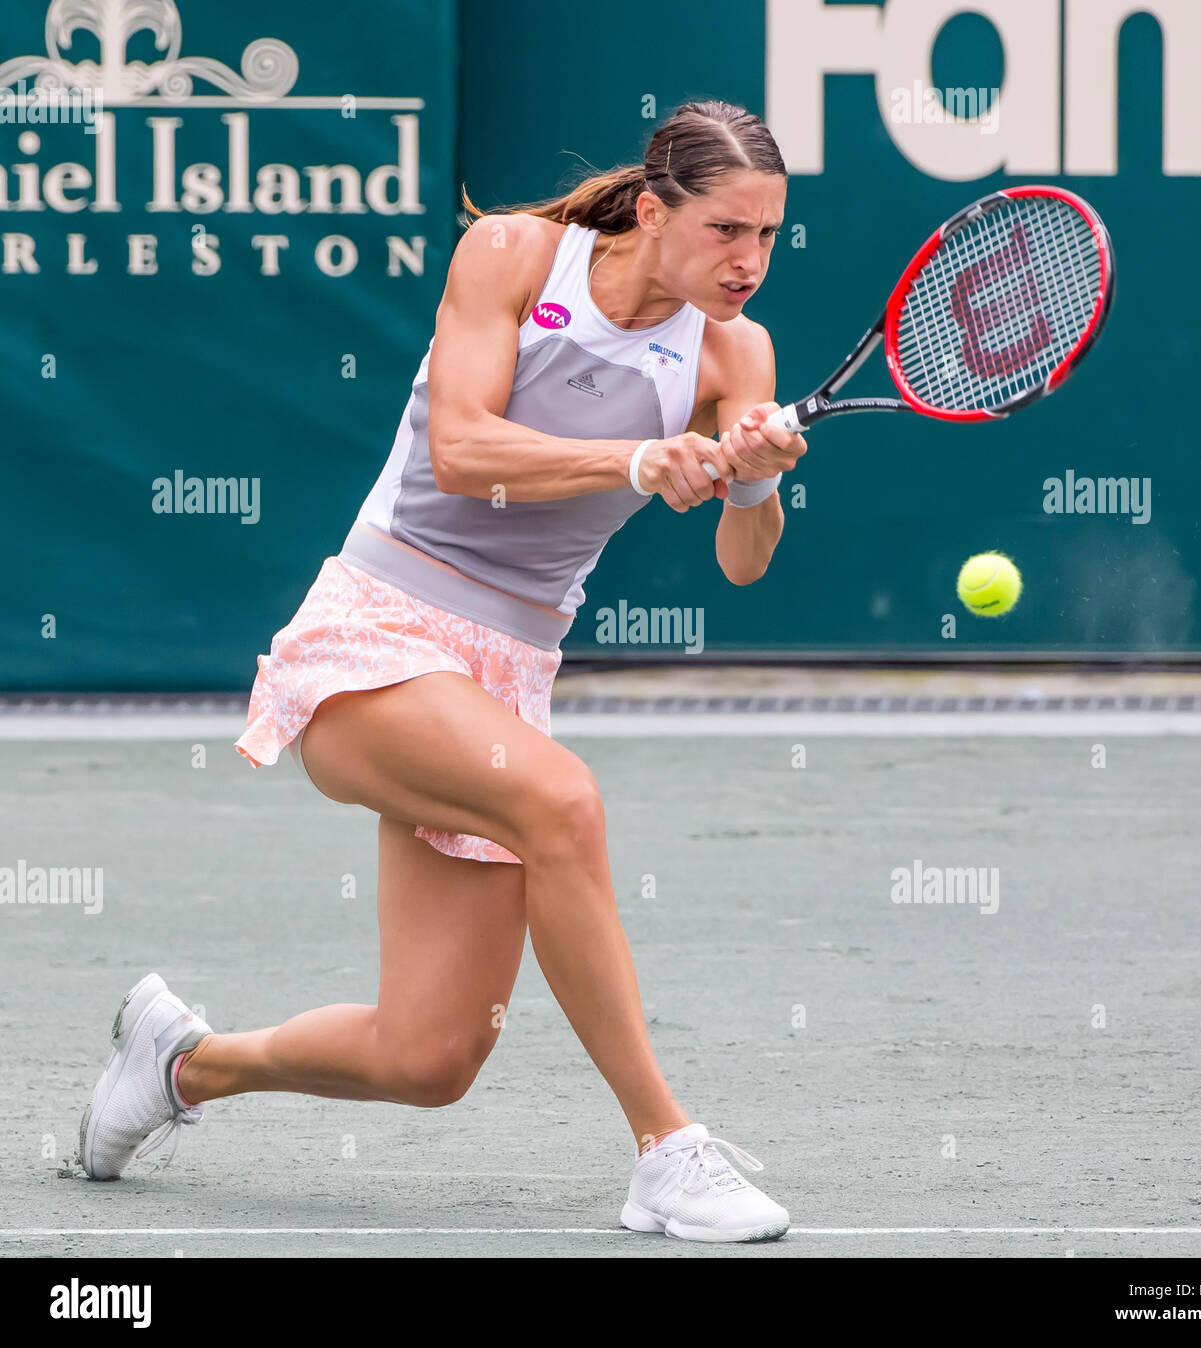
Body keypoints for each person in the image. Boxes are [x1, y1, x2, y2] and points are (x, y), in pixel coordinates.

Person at [78, 99, 807, 1243]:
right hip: (378, 630)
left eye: (768, 235)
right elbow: (462, 449)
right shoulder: (513, 255)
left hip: (503, 675)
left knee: (428, 1055)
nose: (749, 262)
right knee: (561, 799)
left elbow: (746, 565)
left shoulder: (733, 353)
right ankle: (668, 1149)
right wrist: (633, 455)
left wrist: (755, 479)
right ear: (655, 208)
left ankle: (178, 1063)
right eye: (726, 230)